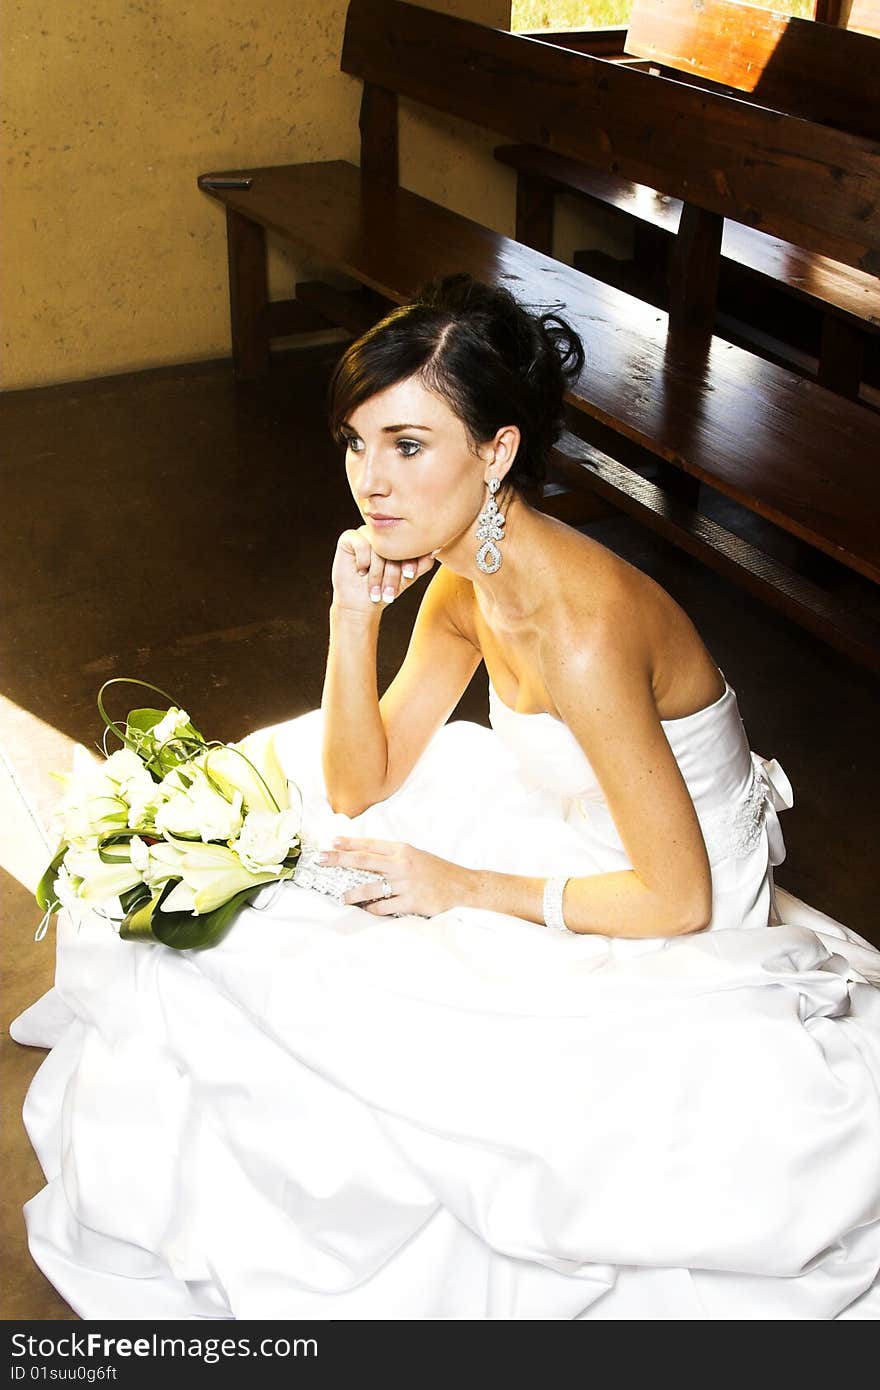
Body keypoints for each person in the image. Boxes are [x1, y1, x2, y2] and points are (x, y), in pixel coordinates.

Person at [12, 274, 880, 1321]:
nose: (370, 482)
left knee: (411, 1048)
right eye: (355, 442)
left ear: (498, 450)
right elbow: (359, 781)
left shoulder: (581, 628)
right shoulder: (467, 582)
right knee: (295, 918)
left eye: (409, 446)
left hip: (661, 895)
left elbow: (677, 898)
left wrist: (457, 883)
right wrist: (349, 615)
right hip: (569, 828)